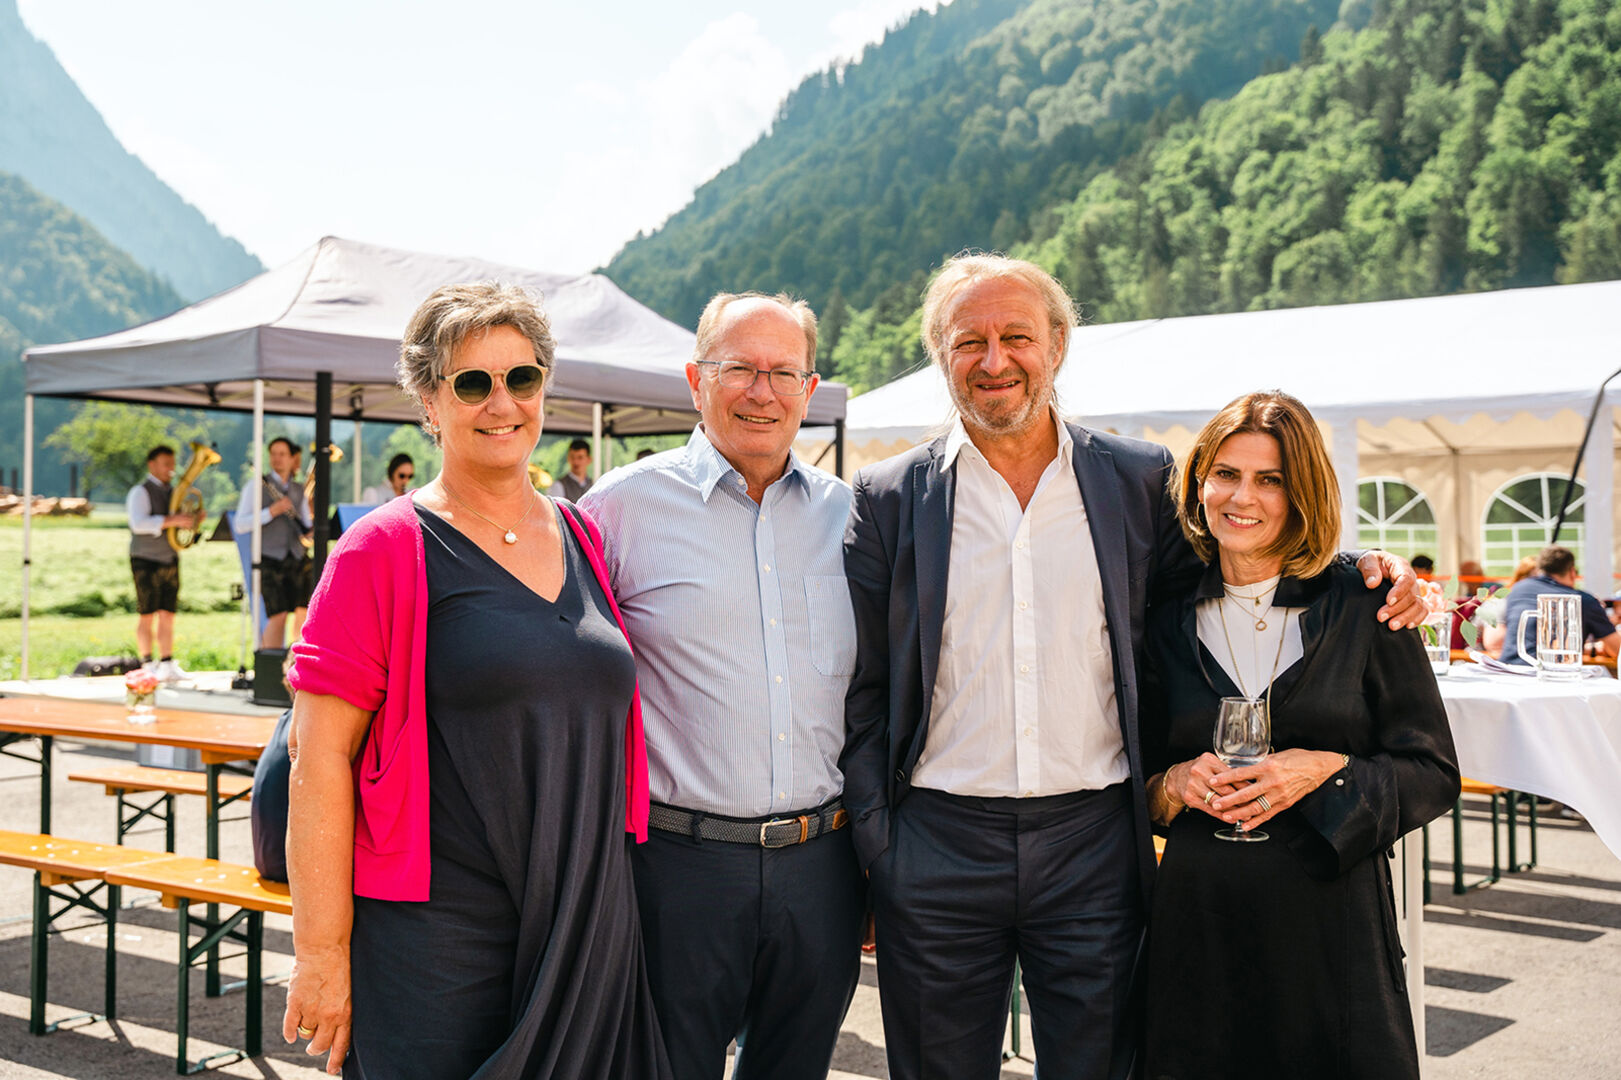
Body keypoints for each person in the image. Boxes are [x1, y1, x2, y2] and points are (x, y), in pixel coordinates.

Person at [841, 254, 1426, 1080]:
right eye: (967, 340)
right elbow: (862, 690)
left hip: (1092, 841)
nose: (994, 360)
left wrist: (1368, 568)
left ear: (1058, 343)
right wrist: (880, 848)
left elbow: (1241, 556)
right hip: (937, 841)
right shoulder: (887, 495)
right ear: (939, 350)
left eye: (1016, 336)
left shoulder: (1137, 478)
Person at [282, 282, 670, 1079]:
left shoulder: (581, 533)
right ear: (429, 401)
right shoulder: (381, 549)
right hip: (438, 934)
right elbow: (316, 761)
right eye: (472, 382)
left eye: (521, 378)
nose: (503, 403)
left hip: (580, 911)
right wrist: (320, 954)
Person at [580, 292, 862, 1080]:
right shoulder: (618, 508)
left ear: (810, 391)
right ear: (695, 379)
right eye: (739, 368)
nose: (760, 391)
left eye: (782, 373)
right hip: (678, 867)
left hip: (823, 865)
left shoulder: (853, 518)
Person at [1141, 390, 1459, 1080]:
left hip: (1330, 919)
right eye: (1224, 473)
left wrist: (1327, 770)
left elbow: (1432, 772)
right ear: (1199, 482)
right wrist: (1166, 786)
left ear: (1302, 490)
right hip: (1198, 918)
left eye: (1270, 479)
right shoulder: (1160, 613)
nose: (1241, 497)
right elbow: (1127, 771)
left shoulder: (1363, 602)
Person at [125, 444, 203, 681]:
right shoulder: (140, 491)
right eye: (166, 464)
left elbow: (178, 521)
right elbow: (137, 523)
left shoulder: (175, 492)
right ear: (152, 465)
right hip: (145, 558)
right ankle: (147, 663)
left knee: (168, 613)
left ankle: (167, 662)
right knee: (147, 613)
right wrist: (172, 520)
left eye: (172, 463)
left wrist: (192, 519)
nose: (171, 469)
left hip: (169, 556)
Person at [237, 436, 313, 649]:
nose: (277, 459)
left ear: (292, 458)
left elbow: (306, 523)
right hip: (270, 558)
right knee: (277, 613)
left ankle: (296, 660)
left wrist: (310, 532)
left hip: (296, 557)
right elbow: (240, 524)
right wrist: (271, 512)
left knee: (303, 610)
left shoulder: (299, 489)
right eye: (273, 454)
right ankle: (271, 661)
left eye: (282, 454)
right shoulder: (256, 486)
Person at [1498, 545, 1619, 665]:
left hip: (1508, 668)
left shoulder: (1518, 588)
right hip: (1551, 673)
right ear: (1572, 572)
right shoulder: (1581, 600)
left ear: (1541, 569)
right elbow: (1617, 650)